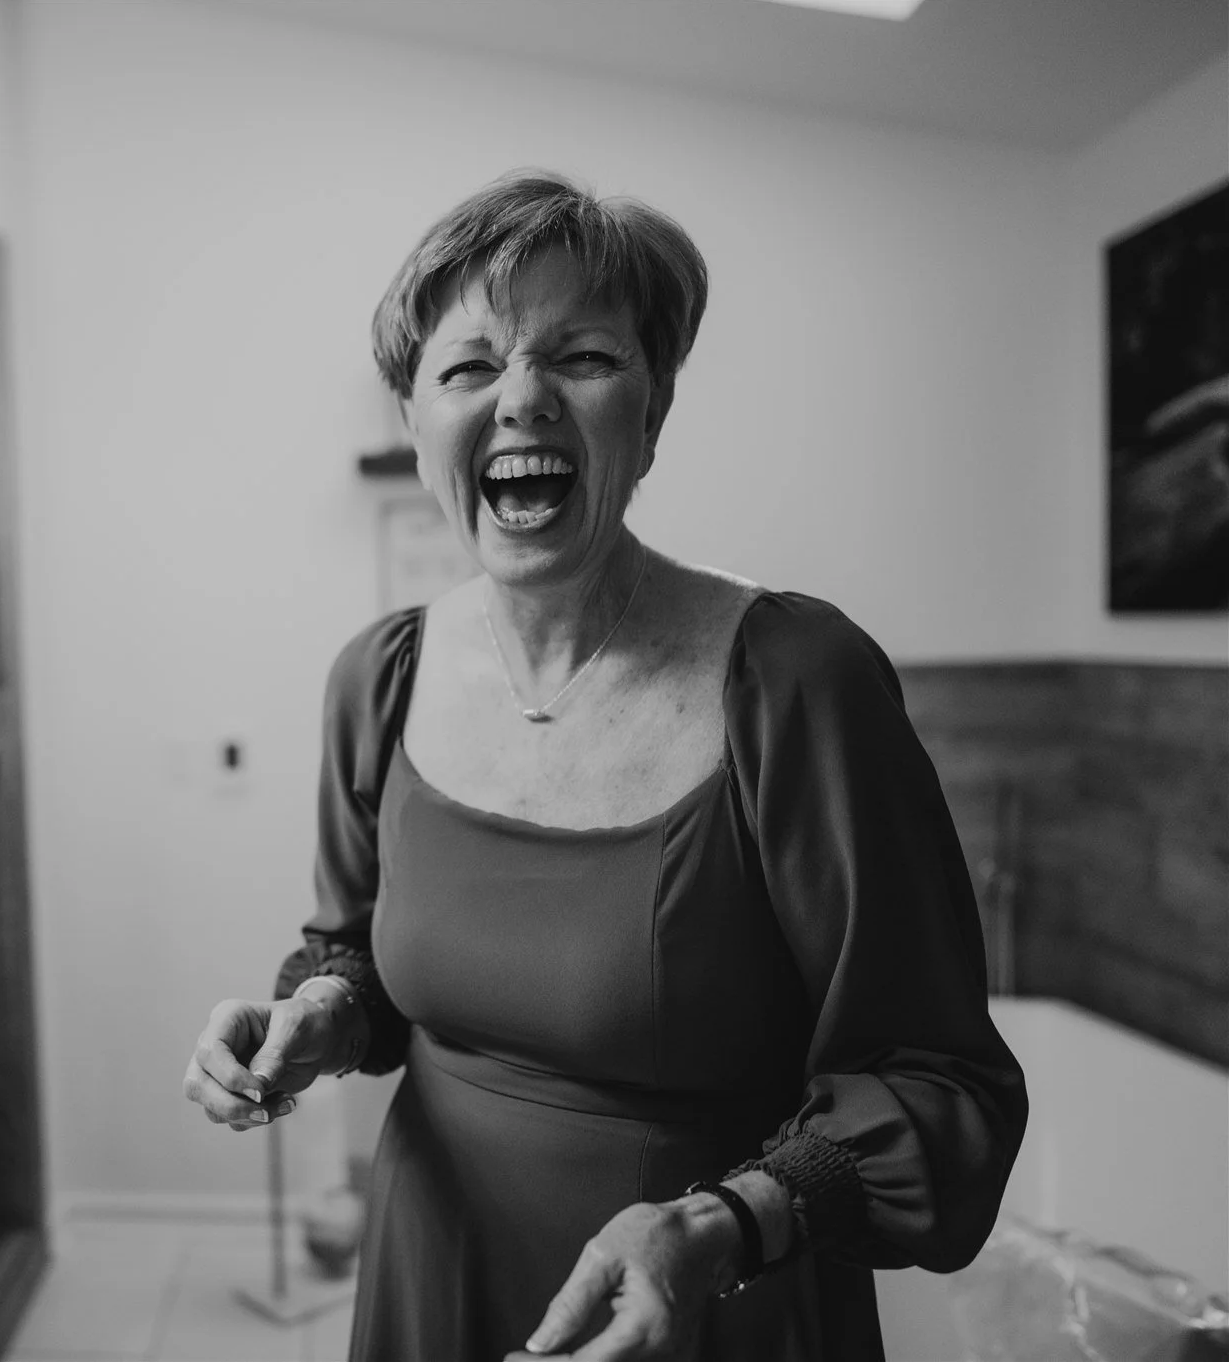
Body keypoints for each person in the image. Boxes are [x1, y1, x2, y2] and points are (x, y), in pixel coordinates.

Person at [182, 173, 1027, 1361]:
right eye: (467, 367)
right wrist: (314, 1015)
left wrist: (720, 1226)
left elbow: (942, 1087)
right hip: (437, 1271)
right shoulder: (375, 678)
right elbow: (352, 946)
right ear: (412, 421)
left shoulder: (796, 681)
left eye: (579, 357)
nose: (521, 400)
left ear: (652, 409)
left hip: (711, 1304)